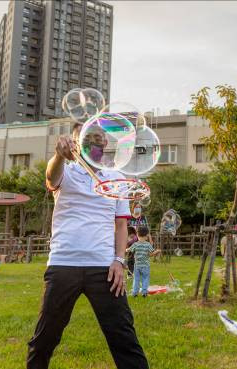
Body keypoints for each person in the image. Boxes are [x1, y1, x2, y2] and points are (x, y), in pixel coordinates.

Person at [28, 122, 148, 369]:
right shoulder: (67, 170)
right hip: (63, 264)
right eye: (87, 138)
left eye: (100, 137)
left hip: (105, 267)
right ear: (74, 144)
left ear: (106, 143)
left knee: (124, 337)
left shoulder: (116, 177)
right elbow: (51, 176)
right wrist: (58, 156)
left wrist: (119, 259)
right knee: (45, 337)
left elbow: (121, 226)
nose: (96, 142)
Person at [126, 226, 160, 297]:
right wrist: (157, 252)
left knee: (136, 279)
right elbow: (151, 254)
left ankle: (135, 293)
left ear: (137, 235)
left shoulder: (135, 244)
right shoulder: (148, 245)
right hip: (146, 266)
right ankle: (144, 293)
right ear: (147, 236)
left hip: (137, 266)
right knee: (145, 279)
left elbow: (128, 250)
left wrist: (125, 250)